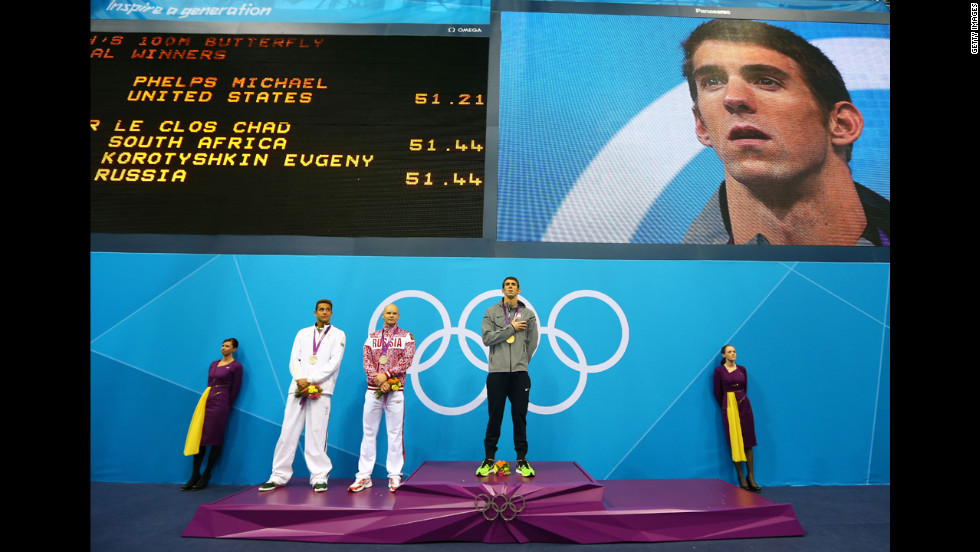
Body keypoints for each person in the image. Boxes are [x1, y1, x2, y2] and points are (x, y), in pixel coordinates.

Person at [679, 19, 889, 246]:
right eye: (713, 81)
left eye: (766, 81)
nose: (733, 98)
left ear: (841, 124)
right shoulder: (671, 277)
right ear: (701, 125)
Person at [259, 299, 346, 493]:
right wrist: (300, 379)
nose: (324, 312)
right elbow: (294, 360)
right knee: (288, 431)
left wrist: (312, 380)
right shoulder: (303, 333)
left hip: (321, 389)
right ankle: (278, 475)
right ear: (315, 312)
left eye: (328, 310)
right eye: (321, 309)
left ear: (331, 313)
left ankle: (319, 476)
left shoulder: (338, 334)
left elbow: (334, 362)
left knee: (317, 434)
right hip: (298, 387)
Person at [348, 304, 416, 493]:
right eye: (388, 313)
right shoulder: (372, 337)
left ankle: (394, 475)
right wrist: (379, 381)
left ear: (398, 315)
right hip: (373, 389)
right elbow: (366, 361)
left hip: (395, 388)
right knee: (368, 432)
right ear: (383, 315)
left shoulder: (406, 336)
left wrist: (386, 375)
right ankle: (363, 476)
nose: (391, 315)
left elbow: (407, 360)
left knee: (395, 433)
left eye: (395, 313)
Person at [476, 276, 539, 477]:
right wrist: (511, 328)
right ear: (502, 290)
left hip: (520, 373)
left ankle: (521, 460)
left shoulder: (528, 314)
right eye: (507, 285)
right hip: (497, 373)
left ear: (519, 290)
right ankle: (489, 460)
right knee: (495, 417)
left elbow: (533, 342)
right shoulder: (491, 312)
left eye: (513, 285)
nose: (510, 287)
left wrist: (522, 361)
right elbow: (487, 339)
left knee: (520, 417)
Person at [182, 338, 243, 491]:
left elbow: (235, 389)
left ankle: (207, 473)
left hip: (221, 403)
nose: (223, 348)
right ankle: (195, 474)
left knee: (215, 438)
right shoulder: (213, 364)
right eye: (222, 345)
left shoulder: (236, 367)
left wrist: (228, 406)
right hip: (206, 401)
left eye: (227, 346)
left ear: (234, 349)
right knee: (200, 438)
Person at [712, 345, 761, 493]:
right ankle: (740, 475)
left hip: (743, 403)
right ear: (723, 355)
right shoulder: (719, 371)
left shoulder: (742, 369)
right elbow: (717, 392)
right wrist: (727, 406)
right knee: (735, 440)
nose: (733, 354)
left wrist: (740, 399)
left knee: (748, 440)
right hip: (729, 405)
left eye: (734, 351)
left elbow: (745, 387)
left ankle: (750, 476)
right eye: (729, 352)